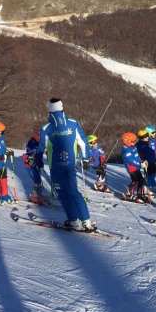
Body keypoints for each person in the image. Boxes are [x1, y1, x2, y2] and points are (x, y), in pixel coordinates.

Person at [38, 98, 95, 231]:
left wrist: (37, 160)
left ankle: (74, 221)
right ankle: (86, 221)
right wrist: (85, 158)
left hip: (56, 166)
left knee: (63, 193)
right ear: (62, 108)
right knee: (74, 191)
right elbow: (83, 142)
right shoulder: (73, 123)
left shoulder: (46, 128)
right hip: (70, 165)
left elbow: (41, 148)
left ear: (50, 110)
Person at [121, 132, 149, 202]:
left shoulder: (133, 147)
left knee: (141, 180)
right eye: (133, 141)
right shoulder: (126, 151)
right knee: (135, 180)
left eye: (135, 141)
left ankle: (140, 194)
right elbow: (131, 161)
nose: (135, 142)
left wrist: (142, 161)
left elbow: (137, 157)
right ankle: (129, 194)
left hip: (136, 168)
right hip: (132, 169)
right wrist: (140, 164)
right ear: (127, 142)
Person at [23, 128, 48, 204]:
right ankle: (34, 196)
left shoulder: (39, 144)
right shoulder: (32, 142)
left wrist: (40, 162)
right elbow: (28, 153)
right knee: (37, 181)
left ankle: (38, 194)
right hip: (30, 166)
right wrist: (29, 158)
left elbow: (39, 155)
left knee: (39, 180)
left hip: (35, 165)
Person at [136, 129, 156, 194]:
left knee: (153, 175)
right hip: (147, 163)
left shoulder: (146, 143)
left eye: (147, 136)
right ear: (142, 138)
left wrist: (155, 159)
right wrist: (142, 160)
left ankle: (154, 187)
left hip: (152, 162)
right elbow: (139, 154)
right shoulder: (140, 145)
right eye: (146, 136)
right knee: (148, 176)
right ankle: (147, 189)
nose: (148, 137)